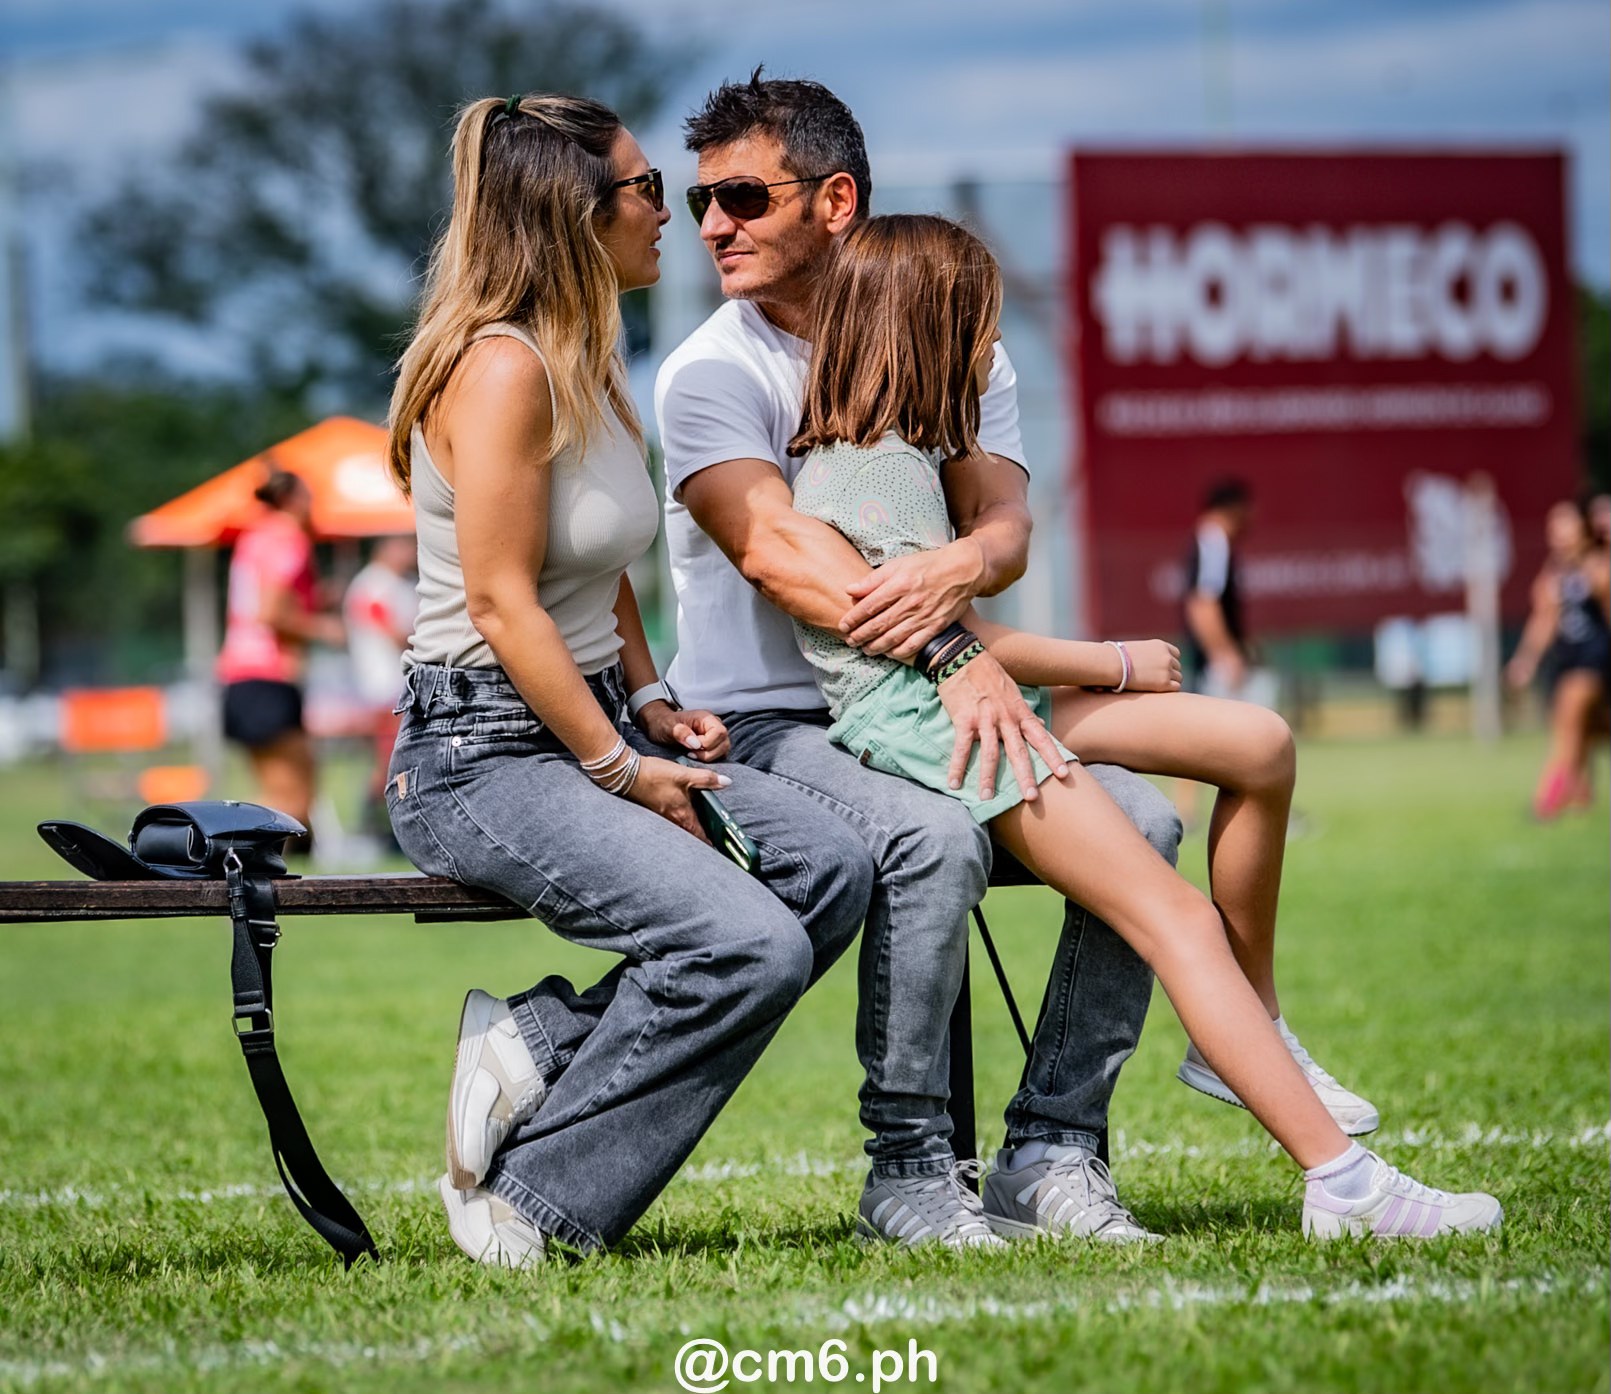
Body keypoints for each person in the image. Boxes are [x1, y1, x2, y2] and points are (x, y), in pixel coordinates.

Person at [788, 212, 1500, 1241]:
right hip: (938, 721)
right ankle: (1347, 1186)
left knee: (1259, 743)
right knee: (1173, 916)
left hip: (969, 695)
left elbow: (967, 618)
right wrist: (1111, 661)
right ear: (929, 326)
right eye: (979, 324)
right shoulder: (876, 470)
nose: (992, 349)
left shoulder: (904, 456)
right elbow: (948, 640)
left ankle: (1248, 1025)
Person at [651, 70, 1184, 1248]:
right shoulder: (707, 372)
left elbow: (1004, 529)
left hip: (921, 685)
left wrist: (961, 576)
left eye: (740, 196)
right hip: (774, 721)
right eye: (697, 203)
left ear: (835, 199)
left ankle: (1052, 1151)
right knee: (931, 839)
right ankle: (908, 1167)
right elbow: (780, 551)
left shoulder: (957, 344)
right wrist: (955, 651)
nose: (711, 228)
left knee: (1147, 827)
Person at [383, 92, 871, 1267]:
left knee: (833, 865)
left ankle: (539, 1040)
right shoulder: (500, 371)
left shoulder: (591, 357)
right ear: (573, 213)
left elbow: (598, 573)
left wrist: (646, 700)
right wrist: (620, 766)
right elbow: (502, 601)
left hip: (591, 716)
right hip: (479, 750)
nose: (689, 215)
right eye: (659, 189)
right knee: (745, 943)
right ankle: (536, 1200)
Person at [216, 469, 344, 844]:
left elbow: (261, 603)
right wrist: (324, 627)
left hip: (241, 677)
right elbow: (271, 613)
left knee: (284, 794)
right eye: (311, 498)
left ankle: (236, 862)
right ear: (293, 500)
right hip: (268, 677)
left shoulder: (254, 538)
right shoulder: (288, 538)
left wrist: (315, 600)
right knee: (293, 801)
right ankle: (212, 847)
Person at [1505, 498, 1610, 818]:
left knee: (1569, 717)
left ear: (1583, 529)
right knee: (1587, 729)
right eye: (1553, 526)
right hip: (1565, 660)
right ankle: (1580, 793)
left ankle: (1545, 802)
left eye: (1566, 525)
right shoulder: (1552, 575)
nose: (1558, 533)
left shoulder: (1598, 567)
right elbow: (1544, 621)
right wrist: (1525, 660)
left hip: (1595, 658)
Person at [342, 533, 419, 838]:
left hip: (392, 683)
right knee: (392, 760)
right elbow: (394, 632)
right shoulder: (374, 585)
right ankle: (373, 829)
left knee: (392, 758)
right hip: (385, 684)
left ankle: (375, 828)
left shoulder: (393, 583)